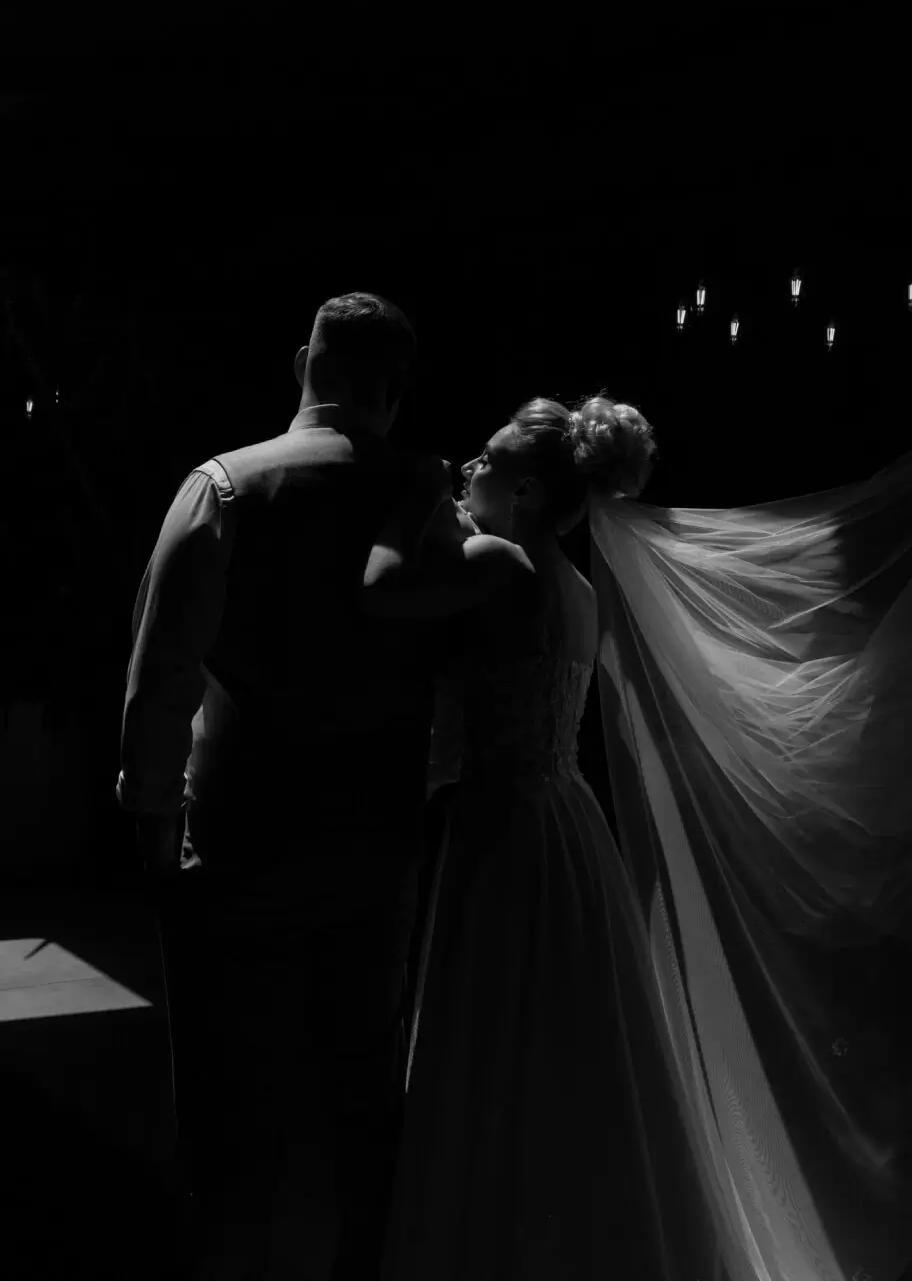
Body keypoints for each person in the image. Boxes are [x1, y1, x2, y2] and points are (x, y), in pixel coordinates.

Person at [366, 396, 912, 1279]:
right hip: (567, 830)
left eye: (487, 461)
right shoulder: (575, 588)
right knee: (575, 1051)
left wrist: (406, 507)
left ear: (533, 489)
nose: (467, 470)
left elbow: (380, 589)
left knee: (498, 1041)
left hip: (505, 830)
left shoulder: (499, 562)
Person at [116, 291, 455, 1280]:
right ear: (397, 386)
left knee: (230, 1097)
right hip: (380, 830)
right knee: (362, 1088)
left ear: (302, 360)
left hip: (241, 831)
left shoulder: (225, 487)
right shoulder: (425, 499)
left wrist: (151, 817)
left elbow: (164, 672)